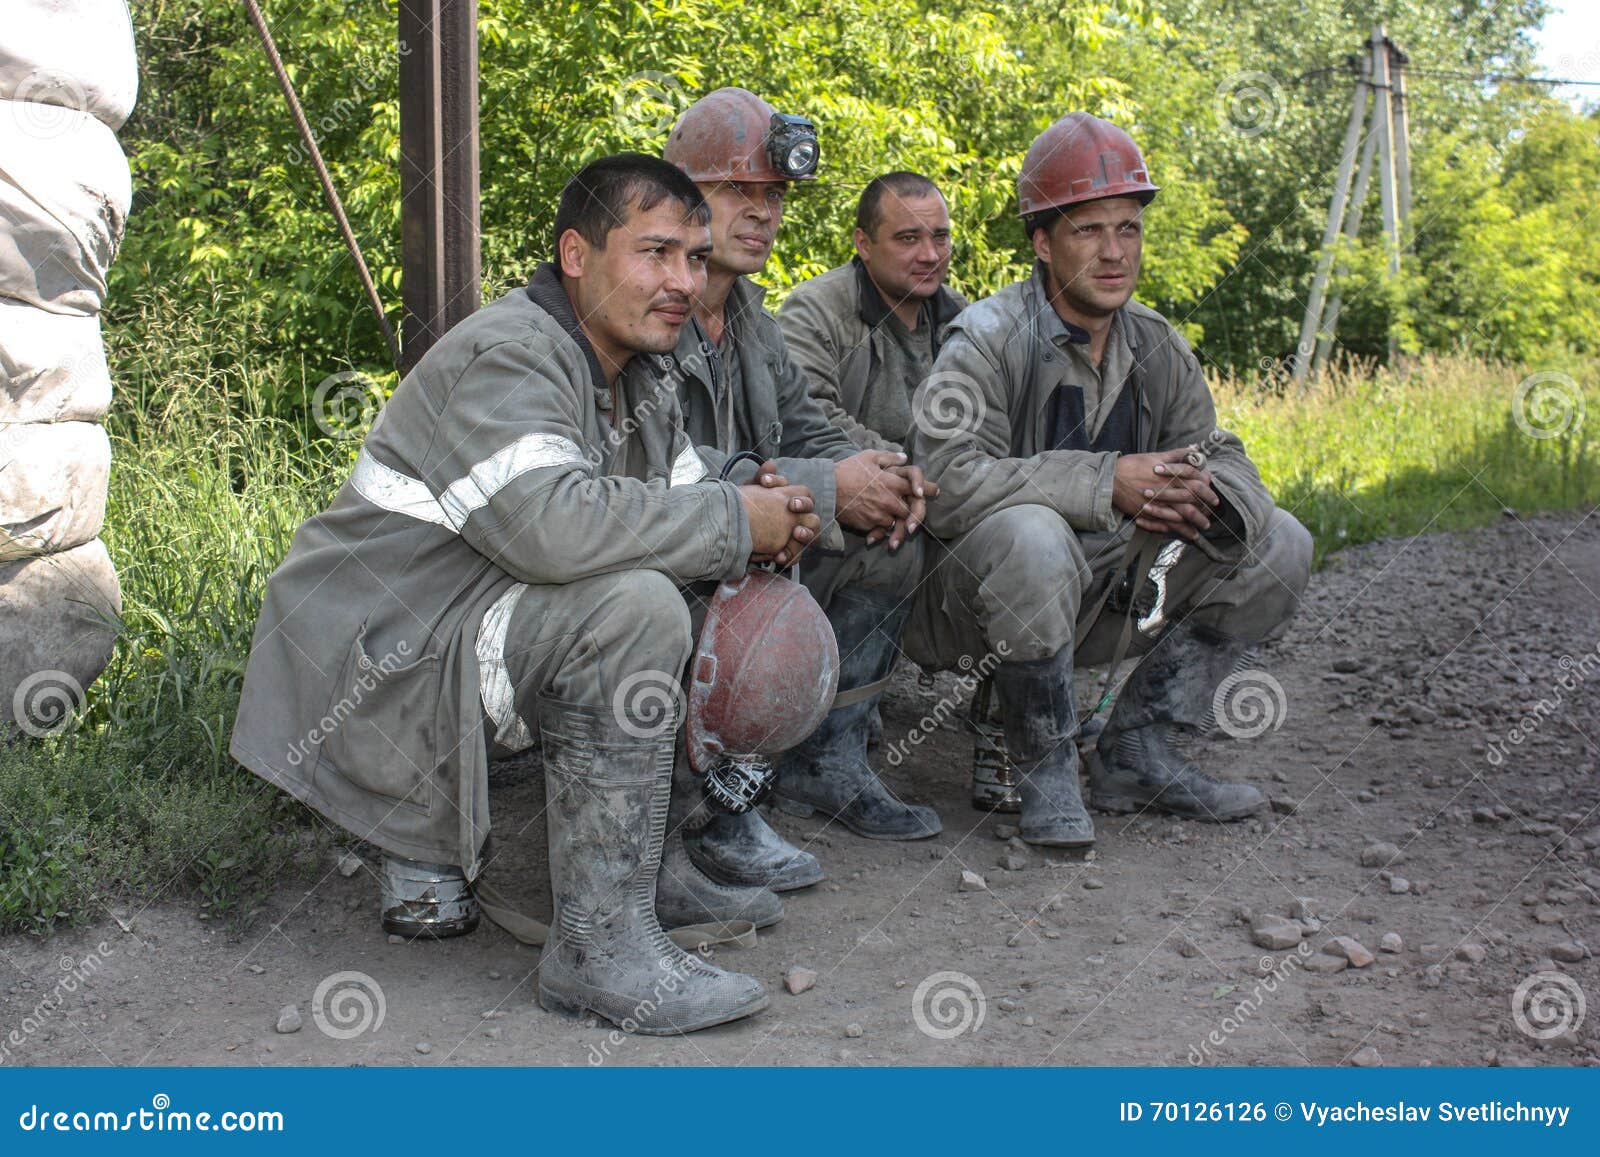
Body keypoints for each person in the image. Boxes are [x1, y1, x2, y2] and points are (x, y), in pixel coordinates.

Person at [231, 154, 821, 1033]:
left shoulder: (638, 368)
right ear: (576, 255)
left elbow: (688, 496)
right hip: (380, 668)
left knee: (720, 593)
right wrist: (737, 520)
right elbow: (552, 527)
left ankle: (650, 871)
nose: (683, 281)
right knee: (637, 608)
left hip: (463, 634)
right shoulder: (509, 353)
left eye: (695, 260)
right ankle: (596, 947)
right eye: (655, 252)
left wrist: (766, 505)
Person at [906, 113, 1314, 848]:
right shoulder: (987, 339)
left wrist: (1210, 496)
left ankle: (1138, 750)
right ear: (1041, 241)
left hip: (1104, 593)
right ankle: (1045, 765)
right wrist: (1107, 482)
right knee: (1032, 534)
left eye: (1128, 229)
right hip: (968, 607)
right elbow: (944, 479)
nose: (1115, 251)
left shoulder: (1156, 344)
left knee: (1278, 541)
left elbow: (1225, 453)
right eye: (1089, 231)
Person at [651, 90, 944, 892]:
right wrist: (827, 485)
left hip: (752, 523)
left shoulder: (747, 316)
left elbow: (812, 424)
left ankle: (825, 761)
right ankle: (695, 814)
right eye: (736, 193)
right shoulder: (647, 306)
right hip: (670, 544)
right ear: (683, 201)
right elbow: (653, 463)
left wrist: (884, 472)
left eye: (773, 196)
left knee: (892, 534)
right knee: (679, 599)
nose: (762, 213)